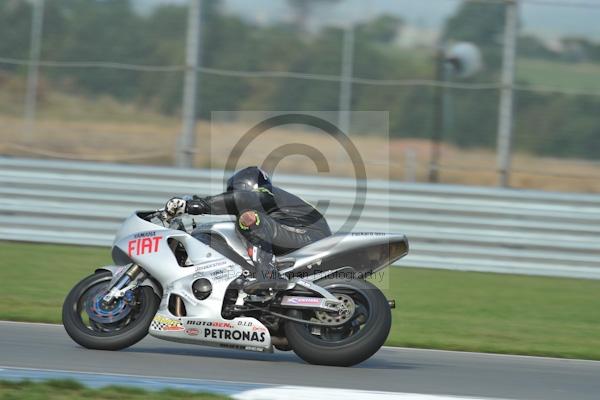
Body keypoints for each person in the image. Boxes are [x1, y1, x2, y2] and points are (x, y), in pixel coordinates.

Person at [165, 166, 332, 293]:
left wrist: (198, 205)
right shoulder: (272, 203)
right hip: (297, 235)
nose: (230, 196)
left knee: (248, 218)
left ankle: (267, 273)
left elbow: (241, 199)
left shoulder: (265, 194)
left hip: (306, 234)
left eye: (232, 192)